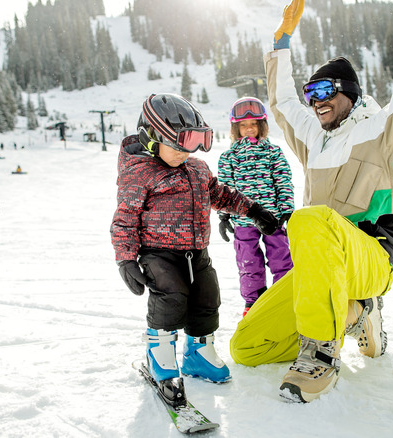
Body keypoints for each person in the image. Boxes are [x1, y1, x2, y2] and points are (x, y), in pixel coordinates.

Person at [229, 0, 393, 403]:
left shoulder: (385, 129)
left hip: (373, 256)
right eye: (310, 93)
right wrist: (281, 43)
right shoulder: (315, 139)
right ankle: (356, 312)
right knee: (247, 346)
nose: (314, 100)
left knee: (309, 219)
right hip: (321, 268)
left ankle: (320, 353)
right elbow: (280, 105)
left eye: (323, 90)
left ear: (348, 91)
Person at [110, 93, 279, 404]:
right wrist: (126, 259)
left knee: (207, 298)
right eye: (179, 144)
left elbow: (222, 195)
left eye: (195, 142)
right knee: (171, 298)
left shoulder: (197, 169)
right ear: (150, 138)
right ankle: (160, 358)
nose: (187, 152)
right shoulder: (140, 173)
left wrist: (254, 211)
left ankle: (199, 353)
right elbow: (124, 219)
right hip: (158, 254)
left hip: (197, 253)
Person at [217, 97, 295, 317]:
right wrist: (224, 216)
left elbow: (283, 181)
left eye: (253, 124)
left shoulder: (273, 152)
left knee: (281, 257)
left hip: (273, 219)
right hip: (243, 220)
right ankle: (254, 302)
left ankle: (284, 296)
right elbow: (225, 189)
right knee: (248, 262)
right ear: (236, 128)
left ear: (262, 126)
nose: (249, 129)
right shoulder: (228, 157)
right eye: (243, 125)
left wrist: (287, 209)